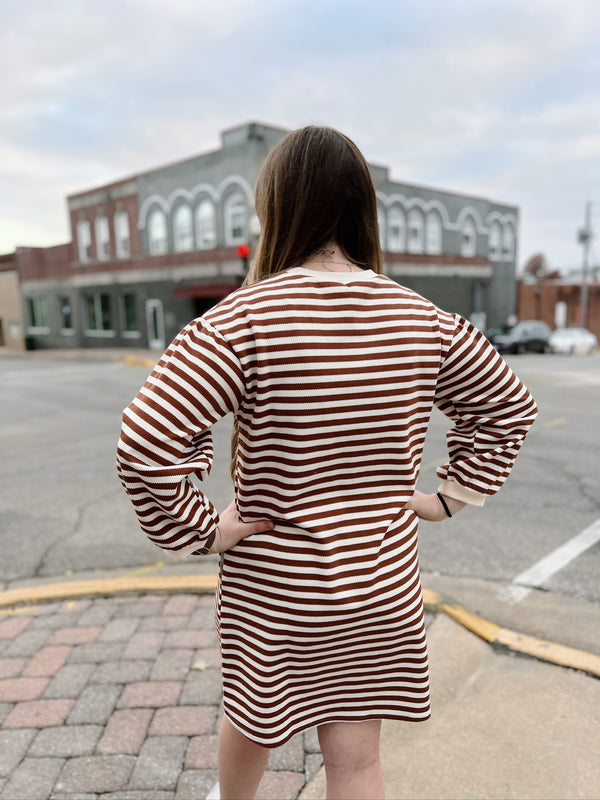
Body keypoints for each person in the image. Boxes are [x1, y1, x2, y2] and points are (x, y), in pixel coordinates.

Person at [117, 126, 538, 800]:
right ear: (361, 208)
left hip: (276, 592)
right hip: (379, 585)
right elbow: (509, 407)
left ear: (277, 208)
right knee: (356, 763)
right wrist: (449, 497)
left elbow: (146, 441)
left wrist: (204, 530)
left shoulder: (243, 319)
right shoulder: (421, 318)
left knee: (251, 724)